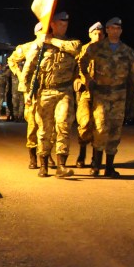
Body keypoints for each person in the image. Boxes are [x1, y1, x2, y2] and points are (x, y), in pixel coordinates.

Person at [78, 17, 134, 178]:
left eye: (118, 29)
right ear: (107, 30)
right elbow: (82, 61)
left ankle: (109, 166)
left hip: (119, 95)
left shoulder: (127, 51)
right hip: (101, 94)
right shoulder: (96, 47)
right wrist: (86, 78)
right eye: (112, 28)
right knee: (100, 128)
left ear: (121, 31)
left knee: (115, 130)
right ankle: (96, 164)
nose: (115, 31)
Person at [21, 11, 81, 178]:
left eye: (66, 23)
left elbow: (76, 50)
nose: (64, 26)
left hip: (64, 91)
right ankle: (44, 164)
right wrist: (26, 92)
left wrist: (51, 40)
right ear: (52, 24)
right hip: (45, 92)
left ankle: (61, 165)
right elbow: (28, 69)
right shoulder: (39, 46)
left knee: (63, 126)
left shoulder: (72, 43)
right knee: (44, 130)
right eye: (60, 23)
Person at [7, 23, 43, 169]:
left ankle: (45, 154)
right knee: (33, 123)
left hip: (49, 89)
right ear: (37, 32)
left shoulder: (53, 46)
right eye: (42, 31)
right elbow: (12, 60)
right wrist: (20, 75)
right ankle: (33, 156)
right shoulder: (28, 47)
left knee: (49, 125)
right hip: (31, 91)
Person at [73, 21, 104, 167]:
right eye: (95, 33)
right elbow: (72, 69)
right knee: (84, 123)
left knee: (99, 126)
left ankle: (95, 159)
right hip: (85, 93)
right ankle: (82, 153)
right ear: (90, 34)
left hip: (103, 95)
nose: (98, 36)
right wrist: (77, 79)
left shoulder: (108, 51)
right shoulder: (83, 50)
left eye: (100, 33)